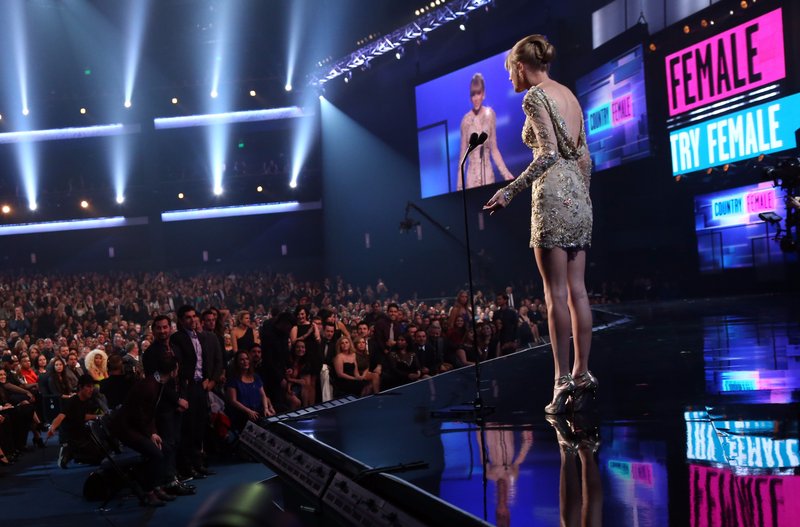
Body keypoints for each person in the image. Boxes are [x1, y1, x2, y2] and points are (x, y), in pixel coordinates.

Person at [483, 35, 596, 414]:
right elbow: (585, 157)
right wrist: (583, 198)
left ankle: (561, 380)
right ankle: (582, 372)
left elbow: (547, 154)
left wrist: (509, 191)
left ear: (520, 66)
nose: (509, 79)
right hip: (579, 196)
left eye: (509, 71)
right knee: (578, 292)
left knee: (555, 295)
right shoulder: (570, 95)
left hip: (551, 196)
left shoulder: (535, 97)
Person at [458, 72, 515, 190]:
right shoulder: (465, 120)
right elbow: (462, 156)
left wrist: (506, 173)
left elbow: (494, 149)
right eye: (473, 94)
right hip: (471, 179)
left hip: (487, 176)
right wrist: (459, 186)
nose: (475, 98)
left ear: (483, 94)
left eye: (478, 93)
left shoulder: (490, 115)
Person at [224, 351, 275, 431]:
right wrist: (248, 411)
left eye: (247, 359)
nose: (245, 362)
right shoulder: (233, 379)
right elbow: (233, 401)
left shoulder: (255, 376)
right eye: (242, 360)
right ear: (237, 363)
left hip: (258, 410)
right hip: (243, 413)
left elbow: (263, 395)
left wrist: (266, 409)